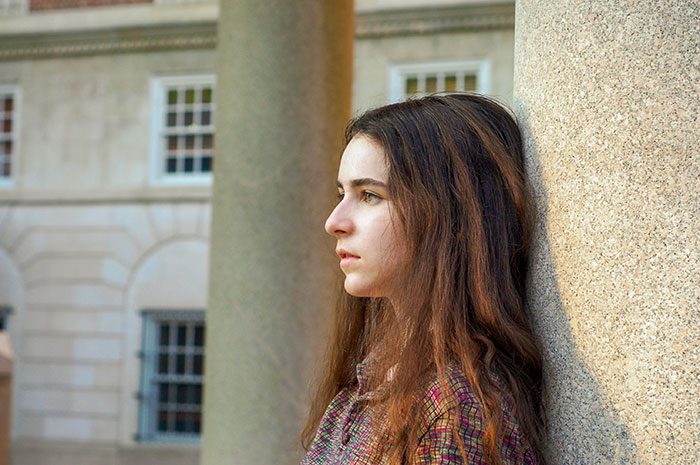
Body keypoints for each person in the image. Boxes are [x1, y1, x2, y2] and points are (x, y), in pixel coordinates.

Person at [300, 93, 545, 465]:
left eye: (369, 195)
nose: (334, 222)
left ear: (454, 216)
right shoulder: (374, 380)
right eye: (342, 193)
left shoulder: (455, 409)